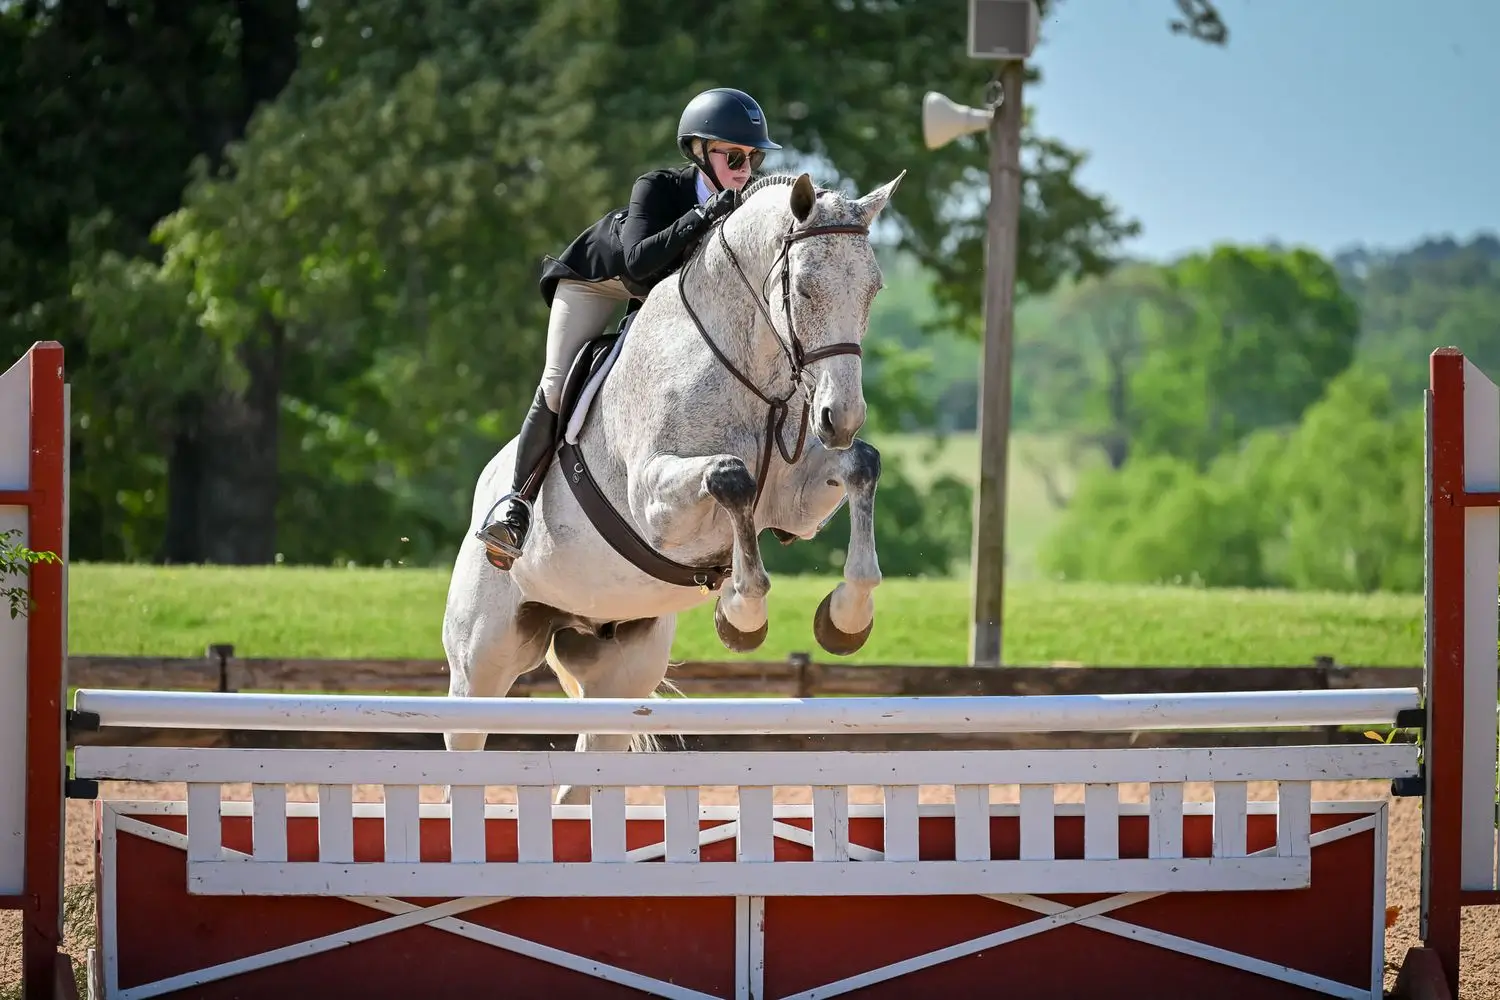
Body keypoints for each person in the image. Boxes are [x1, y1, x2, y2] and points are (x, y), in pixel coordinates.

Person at [474, 87, 783, 570]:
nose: (744, 170)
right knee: (558, 383)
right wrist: (701, 216)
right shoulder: (658, 188)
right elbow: (639, 266)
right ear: (699, 151)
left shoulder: (742, 207)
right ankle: (515, 505)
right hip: (600, 283)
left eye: (752, 159)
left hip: (662, 295)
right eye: (734, 156)